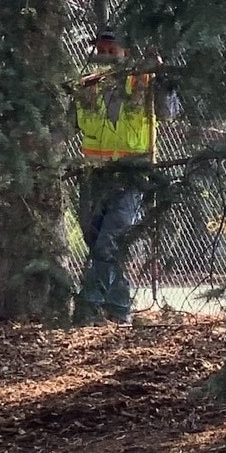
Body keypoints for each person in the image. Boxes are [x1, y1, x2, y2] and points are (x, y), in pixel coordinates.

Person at [73, 31, 173, 324]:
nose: (104, 53)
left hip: (132, 176)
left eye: (110, 48)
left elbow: (167, 113)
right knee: (94, 240)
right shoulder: (86, 86)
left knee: (110, 242)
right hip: (94, 175)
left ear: (125, 51)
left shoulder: (144, 80)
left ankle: (88, 306)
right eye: (99, 47)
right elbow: (67, 126)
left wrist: (163, 76)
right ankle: (119, 308)